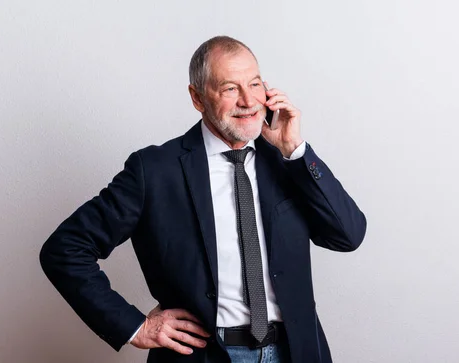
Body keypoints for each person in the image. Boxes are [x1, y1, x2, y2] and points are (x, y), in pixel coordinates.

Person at [40, 35, 367, 363]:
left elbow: (347, 236)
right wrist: (134, 326)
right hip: (203, 357)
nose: (248, 101)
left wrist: (295, 150)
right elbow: (65, 249)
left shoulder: (287, 161)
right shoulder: (154, 171)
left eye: (254, 84)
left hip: (295, 352)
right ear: (197, 98)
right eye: (229, 89)